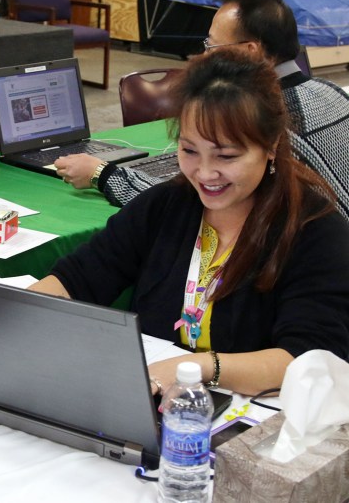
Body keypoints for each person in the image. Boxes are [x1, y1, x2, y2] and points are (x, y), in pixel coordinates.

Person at [31, 51, 349, 396]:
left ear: (270, 146)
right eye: (189, 150)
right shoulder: (168, 206)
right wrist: (13, 314)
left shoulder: (315, 233)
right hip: (162, 404)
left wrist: (196, 368)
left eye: (226, 156)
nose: (205, 173)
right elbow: (77, 278)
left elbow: (305, 359)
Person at [56, 0, 349, 219]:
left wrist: (102, 173)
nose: (205, 56)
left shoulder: (270, 122)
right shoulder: (335, 94)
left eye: (212, 46)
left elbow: (195, 202)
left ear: (250, 51)